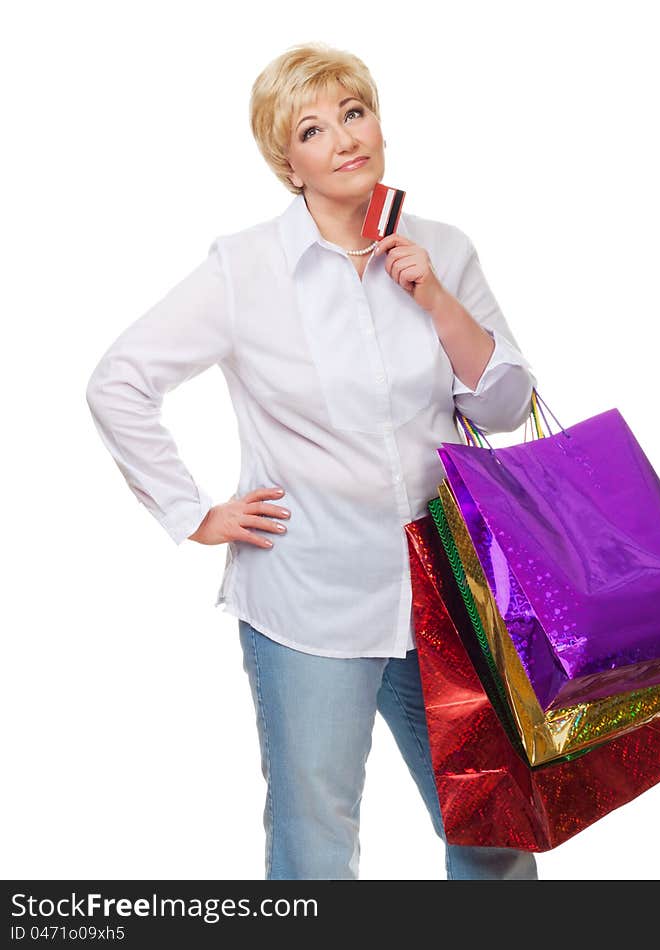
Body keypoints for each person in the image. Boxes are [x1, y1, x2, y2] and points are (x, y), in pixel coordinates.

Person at [85, 41, 539, 880]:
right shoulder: (246, 268)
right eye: (313, 128)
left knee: (491, 820)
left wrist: (435, 299)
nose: (343, 139)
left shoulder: (441, 246)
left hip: (448, 591)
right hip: (310, 599)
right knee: (315, 831)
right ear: (287, 162)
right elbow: (119, 380)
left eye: (353, 113)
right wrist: (193, 513)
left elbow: (505, 408)